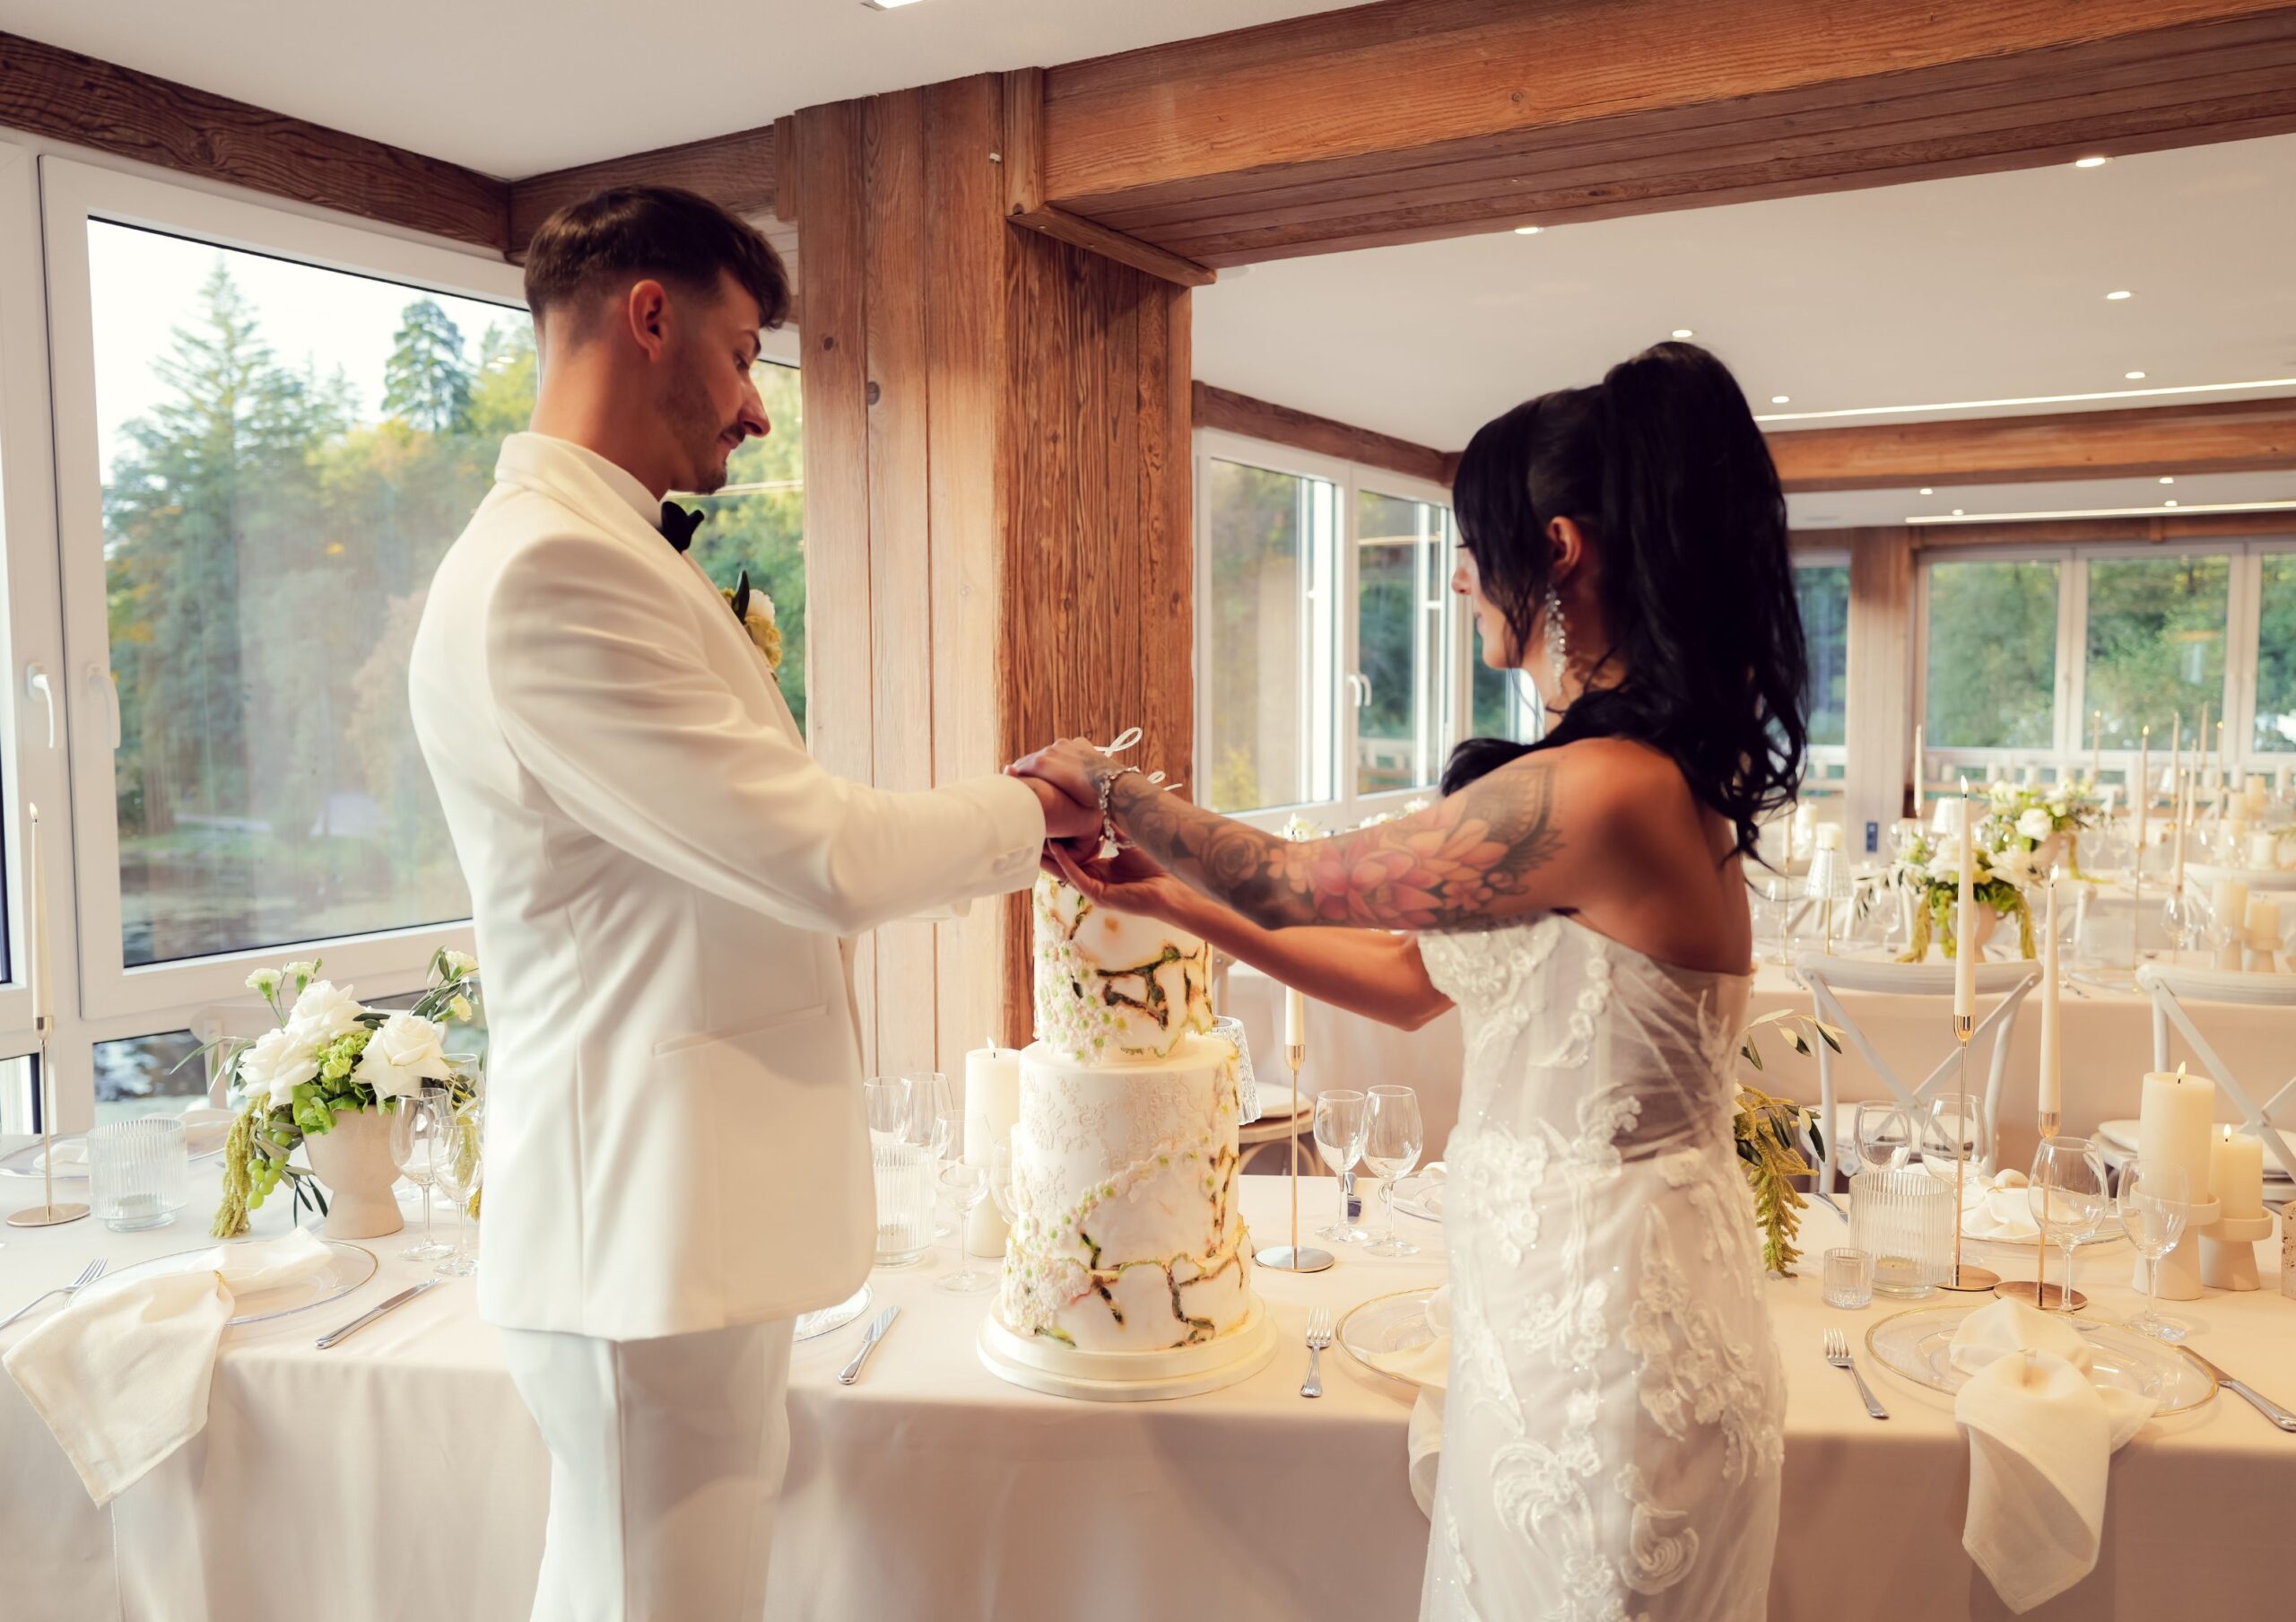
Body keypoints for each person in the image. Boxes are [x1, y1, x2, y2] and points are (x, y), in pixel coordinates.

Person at [1014, 341, 1806, 1620]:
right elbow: (1407, 979)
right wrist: (1173, 903)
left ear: (1554, 550)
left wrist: (1108, 786)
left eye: (1468, 540)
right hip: (1556, 1313)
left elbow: (1287, 876)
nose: (1455, 575)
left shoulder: (1607, 792)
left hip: (1611, 1349)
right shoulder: (1637, 777)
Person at [408, 186, 1097, 1621]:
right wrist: (1038, 806)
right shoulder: (550, 574)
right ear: (648, 318)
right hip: (638, 1228)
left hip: (671, 1224)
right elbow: (816, 857)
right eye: (743, 355)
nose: (758, 412)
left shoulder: (591, 552)